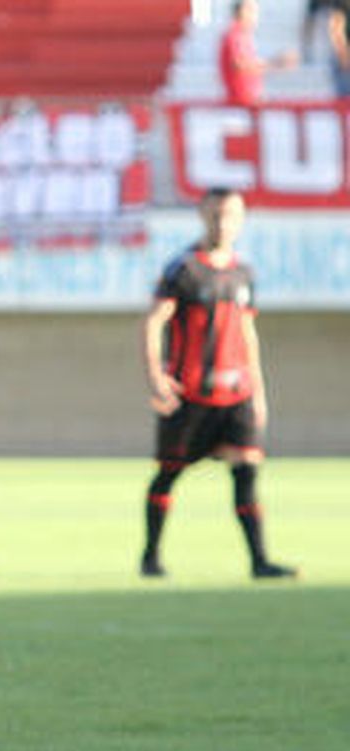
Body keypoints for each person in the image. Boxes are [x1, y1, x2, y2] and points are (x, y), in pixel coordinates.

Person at [140, 187, 296, 581]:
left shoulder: (243, 272)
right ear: (202, 216)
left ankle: (260, 562)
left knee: (247, 470)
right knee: (169, 473)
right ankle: (150, 557)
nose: (222, 223)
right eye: (215, 215)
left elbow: (247, 333)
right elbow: (154, 321)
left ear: (241, 220)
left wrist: (259, 391)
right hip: (190, 394)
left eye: (230, 216)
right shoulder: (184, 268)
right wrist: (156, 376)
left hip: (236, 393)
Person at [220, 0, 298, 108]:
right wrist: (277, 63)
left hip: (248, 101)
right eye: (252, 11)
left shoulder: (242, 35)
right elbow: (240, 65)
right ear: (242, 12)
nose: (256, 16)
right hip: (240, 104)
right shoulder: (235, 35)